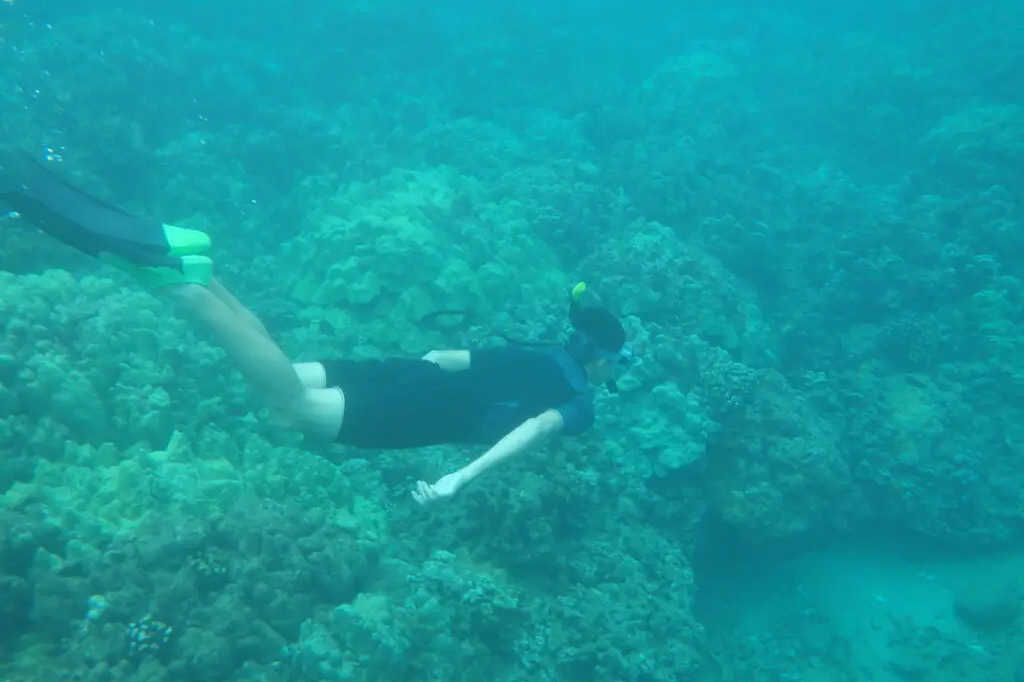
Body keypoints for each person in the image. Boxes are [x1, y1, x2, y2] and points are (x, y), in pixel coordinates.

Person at [1, 152, 634, 504]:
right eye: (620, 364)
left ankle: (197, 264)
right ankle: (184, 289)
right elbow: (529, 431)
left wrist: (415, 368)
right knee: (288, 407)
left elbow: (460, 356)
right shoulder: (579, 401)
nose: (616, 374)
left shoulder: (549, 351)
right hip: (426, 410)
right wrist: (458, 479)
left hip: (415, 372)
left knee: (285, 371)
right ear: (601, 357)